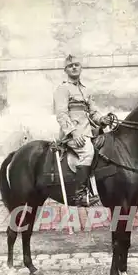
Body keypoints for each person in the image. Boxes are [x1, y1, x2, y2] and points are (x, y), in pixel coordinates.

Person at [53, 54, 111, 206]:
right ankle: (79, 195)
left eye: (76, 65)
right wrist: (74, 133)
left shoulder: (86, 90)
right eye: (70, 66)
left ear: (80, 68)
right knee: (87, 151)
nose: (74, 67)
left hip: (88, 132)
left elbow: (93, 112)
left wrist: (102, 119)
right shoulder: (63, 88)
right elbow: (61, 114)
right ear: (65, 69)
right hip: (72, 134)